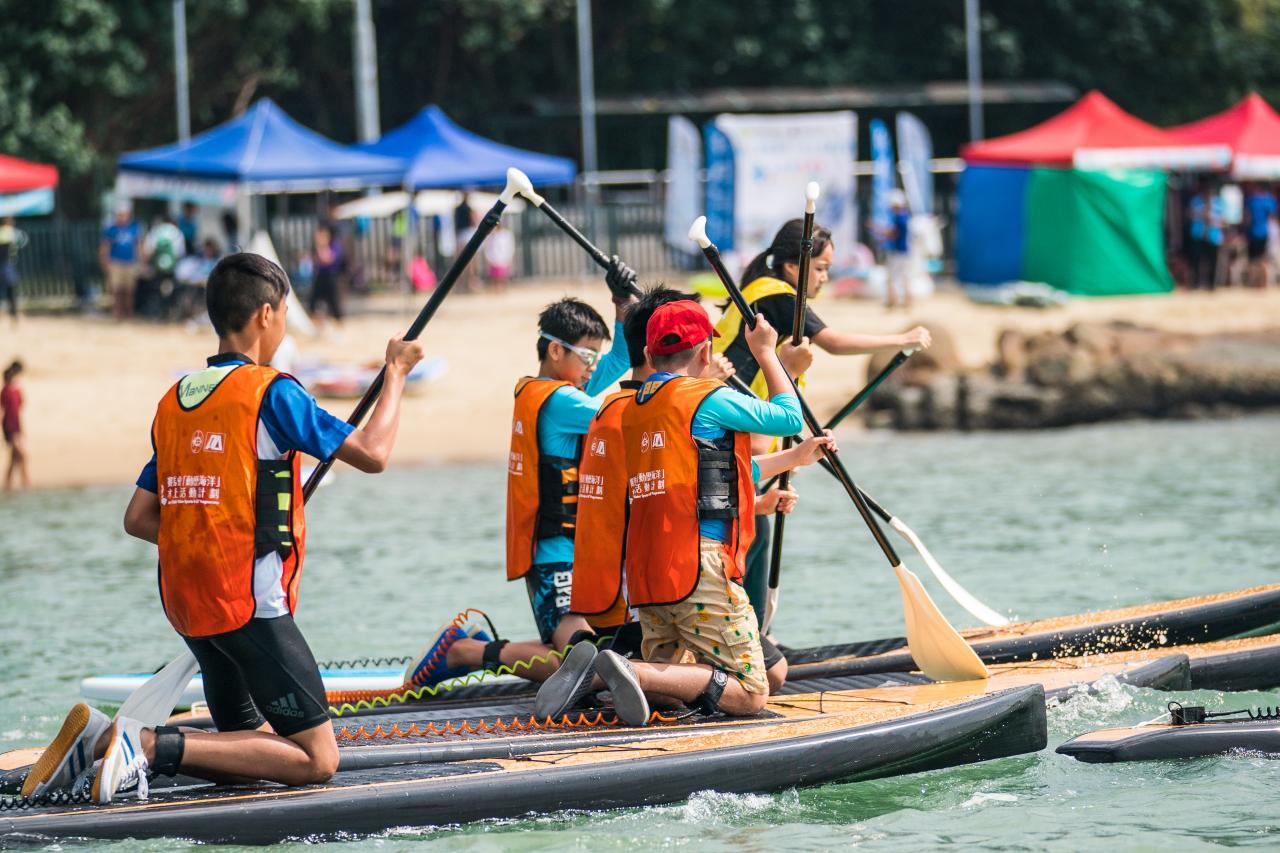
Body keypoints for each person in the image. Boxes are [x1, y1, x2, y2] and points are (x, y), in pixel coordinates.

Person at [22, 252, 425, 803]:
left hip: (190, 605)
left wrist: (211, 533)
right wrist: (396, 373)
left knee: (248, 757)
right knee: (317, 759)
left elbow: (139, 517)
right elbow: (373, 452)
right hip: (250, 607)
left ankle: (100, 741)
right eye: (285, 314)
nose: (284, 326)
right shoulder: (272, 392)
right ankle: (146, 745)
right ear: (265, 314)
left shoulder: (175, 402)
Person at [536, 300, 834, 724]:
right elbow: (788, 418)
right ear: (705, 353)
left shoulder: (634, 407)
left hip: (647, 574)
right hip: (699, 566)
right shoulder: (706, 396)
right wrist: (767, 352)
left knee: (672, 691)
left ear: (648, 353)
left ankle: (606, 674)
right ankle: (625, 670)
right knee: (752, 691)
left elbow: (707, 468)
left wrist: (796, 458)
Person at [403, 263, 640, 689]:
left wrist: (622, 305)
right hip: (554, 554)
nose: (594, 366)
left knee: (607, 657)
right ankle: (467, 652)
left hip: (580, 552)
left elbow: (621, 359)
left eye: (595, 356)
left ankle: (477, 648)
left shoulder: (560, 389)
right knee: (585, 666)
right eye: (587, 356)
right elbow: (618, 420)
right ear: (556, 352)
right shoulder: (563, 402)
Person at [713, 216, 931, 629]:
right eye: (821, 268)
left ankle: (755, 632)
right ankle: (750, 635)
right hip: (741, 429)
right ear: (792, 266)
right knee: (752, 531)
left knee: (757, 526)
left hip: (744, 425)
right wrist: (900, 341)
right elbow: (832, 342)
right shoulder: (777, 295)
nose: (826, 277)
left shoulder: (757, 289)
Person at [102, 205, 142, 321]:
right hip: (116, 262)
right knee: (117, 289)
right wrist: (105, 261)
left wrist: (141, 259)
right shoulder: (111, 229)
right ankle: (117, 313)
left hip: (130, 262)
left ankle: (129, 313)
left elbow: (138, 245)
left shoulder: (134, 228)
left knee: (130, 290)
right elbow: (105, 246)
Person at [144, 214, 186, 319]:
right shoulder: (177, 232)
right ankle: (170, 311)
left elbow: (148, 250)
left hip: (157, 267)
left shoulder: (155, 231)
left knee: (157, 289)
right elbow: (180, 253)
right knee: (172, 288)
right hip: (172, 268)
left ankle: (159, 312)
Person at [310, 224, 345, 330]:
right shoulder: (317, 247)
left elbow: (327, 259)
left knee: (334, 303)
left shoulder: (335, 246)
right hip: (320, 276)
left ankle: (339, 327)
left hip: (331, 277)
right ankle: (317, 325)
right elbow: (315, 261)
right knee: (313, 301)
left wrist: (321, 246)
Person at [1244, 183, 1277, 288]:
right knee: (1263, 259)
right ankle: (1263, 283)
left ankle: (1253, 283)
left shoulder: (1251, 200)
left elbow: (1247, 217)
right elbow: (1272, 216)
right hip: (1264, 232)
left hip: (1253, 232)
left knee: (1253, 260)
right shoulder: (1269, 200)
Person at [2, 360, 28, 491]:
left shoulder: (16, 391)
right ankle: (26, 481)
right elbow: (1, 409)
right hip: (9, 426)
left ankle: (8, 484)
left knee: (14, 458)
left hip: (17, 425)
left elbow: (21, 405)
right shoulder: (5, 391)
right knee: (22, 454)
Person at [884, 189, 913, 310]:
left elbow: (893, 233)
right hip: (905, 250)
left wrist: (879, 231)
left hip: (897, 251)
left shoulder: (899, 217)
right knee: (904, 276)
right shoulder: (906, 216)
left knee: (894, 277)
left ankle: (894, 301)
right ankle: (906, 301)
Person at [0, 216, 24, 324]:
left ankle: (12, 314)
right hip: (7, 264)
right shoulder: (11, 232)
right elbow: (22, 242)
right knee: (11, 290)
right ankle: (13, 315)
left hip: (6, 264)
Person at [484, 221, 515, 292]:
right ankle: (496, 288)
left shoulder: (506, 234)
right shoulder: (491, 235)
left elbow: (510, 246)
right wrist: (489, 257)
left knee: (503, 275)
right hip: (494, 257)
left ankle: (503, 288)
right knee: (495, 275)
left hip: (503, 257)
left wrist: (509, 256)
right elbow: (488, 247)